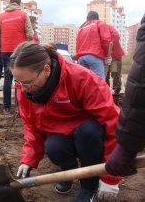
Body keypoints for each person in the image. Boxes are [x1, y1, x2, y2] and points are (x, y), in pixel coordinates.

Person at [11, 42, 122, 202]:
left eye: (27, 82)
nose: (23, 88)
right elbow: (32, 125)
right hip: (63, 133)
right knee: (54, 147)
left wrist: (111, 177)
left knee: (86, 132)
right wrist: (28, 159)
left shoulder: (82, 79)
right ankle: (68, 170)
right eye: (18, 82)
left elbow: (114, 124)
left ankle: (89, 186)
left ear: (46, 70)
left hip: (92, 135)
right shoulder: (25, 89)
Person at [105, 14, 145, 178]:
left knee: (113, 78)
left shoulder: (107, 30)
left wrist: (126, 147)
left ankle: (114, 92)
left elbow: (141, 81)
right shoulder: (106, 30)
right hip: (108, 57)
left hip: (112, 57)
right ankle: (114, 92)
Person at [0, 0, 33, 114]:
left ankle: (6, 108)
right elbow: (30, 34)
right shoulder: (23, 15)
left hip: (5, 51)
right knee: (20, 79)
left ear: (9, 4)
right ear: (19, 4)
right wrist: (27, 45)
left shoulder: (1, 16)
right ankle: (18, 107)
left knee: (7, 78)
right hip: (20, 51)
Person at [76, 11, 112, 79]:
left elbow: (77, 45)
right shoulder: (100, 24)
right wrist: (108, 56)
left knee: (83, 83)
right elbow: (107, 41)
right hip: (95, 57)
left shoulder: (81, 28)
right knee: (99, 84)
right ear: (97, 18)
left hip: (81, 58)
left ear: (87, 19)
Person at [105, 24, 125, 104]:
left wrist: (110, 48)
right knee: (105, 76)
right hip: (107, 57)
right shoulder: (99, 28)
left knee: (115, 75)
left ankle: (117, 97)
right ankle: (107, 95)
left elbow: (116, 36)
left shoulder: (107, 27)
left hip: (115, 57)